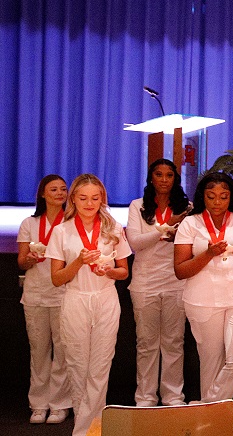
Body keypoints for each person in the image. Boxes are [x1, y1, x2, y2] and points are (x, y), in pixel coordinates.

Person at [46, 174, 131, 436]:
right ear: (73, 199)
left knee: (100, 367)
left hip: (105, 298)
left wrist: (108, 271)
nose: (89, 203)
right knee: (77, 366)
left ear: (102, 199)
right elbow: (57, 278)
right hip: (76, 299)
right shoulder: (62, 231)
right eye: (83, 198)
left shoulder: (113, 228)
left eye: (95, 198)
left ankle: (88, 430)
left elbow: (124, 272)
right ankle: (89, 428)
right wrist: (80, 262)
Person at [173, 172, 233, 402]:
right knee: (211, 363)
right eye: (211, 196)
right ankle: (212, 422)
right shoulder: (190, 223)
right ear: (202, 196)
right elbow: (180, 270)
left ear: (231, 196)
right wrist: (208, 253)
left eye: (223, 197)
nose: (217, 202)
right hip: (202, 299)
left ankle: (207, 405)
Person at [125, 159, 191, 407]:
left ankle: (173, 395)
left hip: (176, 281)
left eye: (169, 175)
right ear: (151, 177)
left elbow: (191, 245)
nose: (164, 179)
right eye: (159, 174)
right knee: (146, 343)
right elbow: (135, 243)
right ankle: (145, 396)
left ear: (176, 179)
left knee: (174, 342)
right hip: (145, 282)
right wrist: (167, 227)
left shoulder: (188, 207)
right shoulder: (138, 206)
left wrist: (175, 232)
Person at [16, 175, 71, 425]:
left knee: (62, 351)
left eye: (63, 189)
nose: (59, 193)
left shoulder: (71, 223)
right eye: (53, 189)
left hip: (63, 293)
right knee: (38, 350)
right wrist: (30, 259)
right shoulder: (30, 223)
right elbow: (22, 260)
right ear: (42, 194)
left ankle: (60, 404)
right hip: (36, 294)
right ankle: (38, 403)